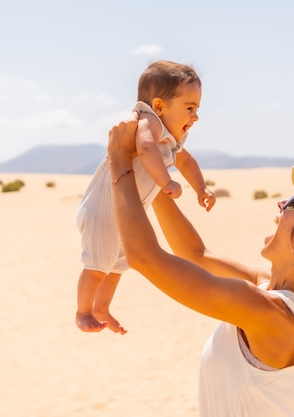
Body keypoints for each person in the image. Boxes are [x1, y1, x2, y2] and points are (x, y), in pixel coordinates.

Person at [106, 114, 294, 416]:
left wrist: (119, 162)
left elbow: (145, 258)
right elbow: (196, 253)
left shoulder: (269, 313)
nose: (281, 203)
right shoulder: (273, 291)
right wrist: (149, 174)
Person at [75, 60, 216, 334]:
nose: (195, 116)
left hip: (123, 214)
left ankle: (101, 307)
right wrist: (166, 181)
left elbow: (187, 161)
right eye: (189, 108)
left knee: (118, 265)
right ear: (160, 106)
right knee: (97, 266)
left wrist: (201, 188)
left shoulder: (169, 138)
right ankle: (83, 311)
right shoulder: (147, 121)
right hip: (102, 210)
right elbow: (147, 148)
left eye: (197, 109)